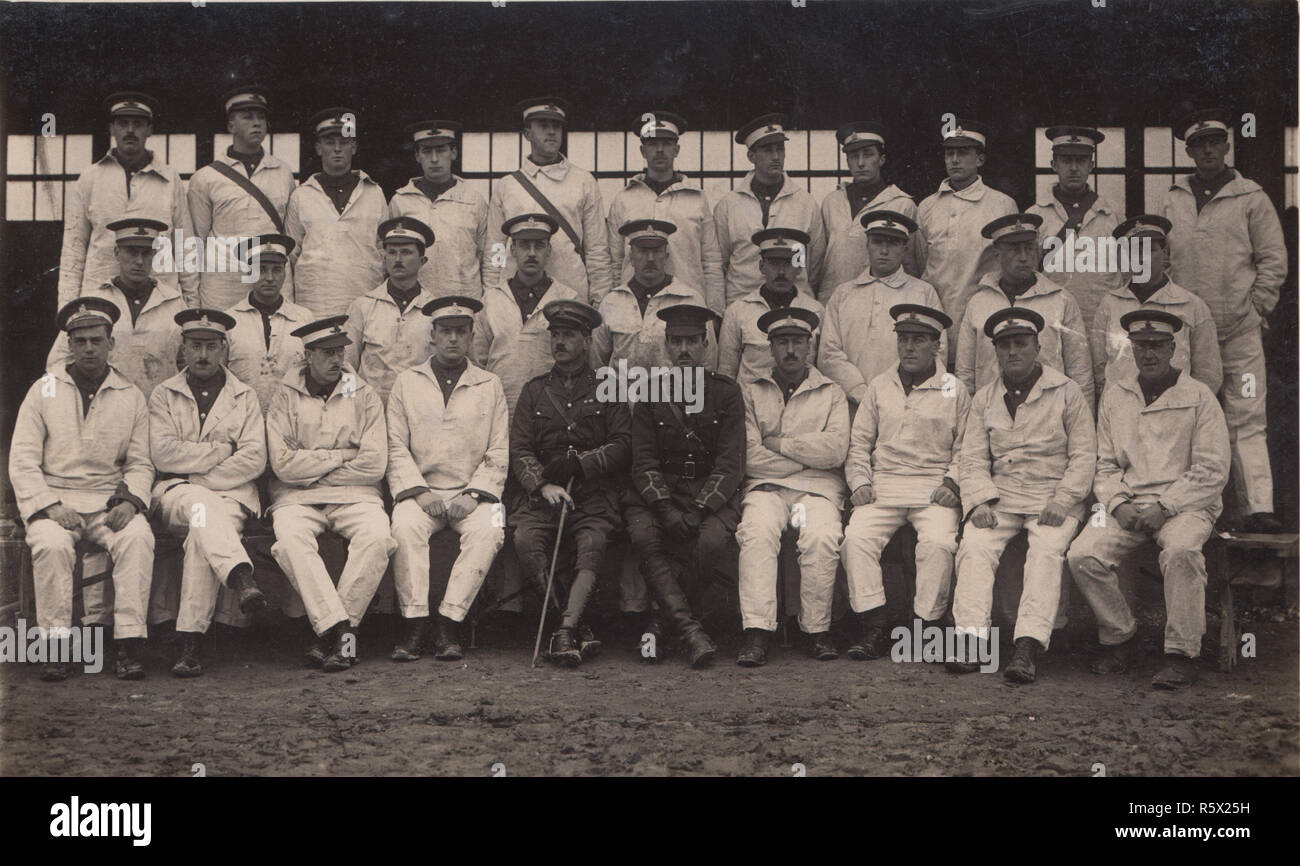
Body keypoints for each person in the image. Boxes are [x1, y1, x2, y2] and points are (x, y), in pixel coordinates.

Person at [1068, 309, 1231, 690]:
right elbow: (1104, 463)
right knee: (1082, 555)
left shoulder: (1198, 396)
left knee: (1181, 552)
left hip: (1187, 505)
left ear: (1173, 347)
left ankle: (1181, 653)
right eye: (1141, 346)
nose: (1149, 354)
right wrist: (1118, 503)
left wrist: (1167, 506)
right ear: (1132, 348)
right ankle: (1122, 637)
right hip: (1129, 503)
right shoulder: (1116, 393)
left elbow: (1212, 469)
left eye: (1157, 345)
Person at [11, 298, 155, 681]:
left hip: (107, 501)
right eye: (80, 341)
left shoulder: (130, 395)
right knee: (52, 545)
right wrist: (49, 506)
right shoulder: (42, 391)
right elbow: (22, 462)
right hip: (56, 501)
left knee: (138, 537)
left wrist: (129, 501)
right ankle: (55, 646)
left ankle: (128, 644)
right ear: (69, 345)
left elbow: (141, 462)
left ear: (112, 343)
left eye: (96, 340)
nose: (88, 348)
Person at [1158, 109, 1288, 532]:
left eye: (1215, 141)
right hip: (1188, 334)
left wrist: (1257, 307)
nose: (1208, 149)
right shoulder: (1172, 198)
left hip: (1239, 333)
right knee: (1186, 417)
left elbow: (1273, 259)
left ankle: (1257, 509)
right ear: (1189, 150)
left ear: (1226, 145)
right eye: (1200, 144)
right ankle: (1186, 508)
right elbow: (1159, 258)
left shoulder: (1251, 196)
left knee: (1246, 416)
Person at [951, 307, 1095, 684]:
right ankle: (970, 641)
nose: (1013, 352)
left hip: (1053, 495)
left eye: (1021, 343)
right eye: (1005, 346)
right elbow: (972, 459)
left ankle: (1027, 646)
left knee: (1047, 551)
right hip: (1003, 495)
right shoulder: (984, 398)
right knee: (974, 546)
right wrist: (979, 500)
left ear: (1037, 347)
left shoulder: (1066, 391)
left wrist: (1064, 500)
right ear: (995, 352)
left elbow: (1084, 456)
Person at [266, 315, 396, 672]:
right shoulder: (285, 395)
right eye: (326, 353)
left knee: (378, 537)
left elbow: (374, 463)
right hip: (295, 498)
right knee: (291, 541)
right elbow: (282, 465)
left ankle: (330, 634)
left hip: (357, 495)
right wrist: (341, 456)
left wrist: (310, 467)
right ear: (307, 356)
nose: (336, 360)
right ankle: (342, 632)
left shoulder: (361, 392)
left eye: (339, 352)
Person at [840, 304, 966, 659]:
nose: (909, 347)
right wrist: (860, 482)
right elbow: (860, 442)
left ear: (936, 346)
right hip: (884, 485)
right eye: (904, 339)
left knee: (938, 544)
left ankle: (924, 625)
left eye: (919, 340)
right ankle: (876, 625)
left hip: (933, 487)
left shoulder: (955, 390)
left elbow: (967, 448)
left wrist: (953, 483)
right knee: (856, 539)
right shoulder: (880, 386)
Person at [387, 296, 509, 661]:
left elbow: (499, 449)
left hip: (473, 494)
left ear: (472, 336)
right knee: (404, 529)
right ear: (433, 336)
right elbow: (395, 445)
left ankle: (449, 623)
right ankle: (415, 624)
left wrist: (474, 495)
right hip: (420, 492)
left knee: (491, 530)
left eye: (461, 332)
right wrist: (419, 492)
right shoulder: (407, 382)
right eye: (445, 331)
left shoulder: (489, 383)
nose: (453, 339)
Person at [510, 300, 631, 667]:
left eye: (569, 335)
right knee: (525, 540)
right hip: (544, 496)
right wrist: (542, 486)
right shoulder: (533, 391)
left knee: (592, 542)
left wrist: (582, 465)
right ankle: (574, 623)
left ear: (587, 339)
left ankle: (563, 632)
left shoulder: (608, 386)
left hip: (592, 495)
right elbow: (520, 447)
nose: (560, 342)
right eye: (556, 335)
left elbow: (624, 443)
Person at [149, 309, 268, 677]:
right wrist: (220, 452)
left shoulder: (244, 396)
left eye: (211, 346)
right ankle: (239, 578)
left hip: (230, 497)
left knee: (203, 531)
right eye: (195, 346)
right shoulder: (163, 394)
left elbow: (254, 459)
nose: (202, 355)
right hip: (175, 496)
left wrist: (195, 472)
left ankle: (190, 642)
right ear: (183, 349)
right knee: (200, 507)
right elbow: (162, 453)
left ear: (224, 350)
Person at [625, 304, 744, 668]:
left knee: (709, 541)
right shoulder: (649, 393)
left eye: (692, 341)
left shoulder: (726, 393)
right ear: (665, 346)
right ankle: (691, 631)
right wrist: (664, 507)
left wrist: (698, 509)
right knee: (645, 536)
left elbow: (730, 463)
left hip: (710, 496)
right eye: (676, 341)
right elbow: (643, 460)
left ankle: (663, 625)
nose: (684, 350)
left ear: (706, 345)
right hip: (659, 496)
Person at [735, 307, 849, 666]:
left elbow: (835, 450)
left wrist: (781, 444)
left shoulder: (832, 393)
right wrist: (807, 452)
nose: (790, 350)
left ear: (810, 346)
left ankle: (817, 630)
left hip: (817, 488)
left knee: (821, 535)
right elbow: (750, 455)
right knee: (756, 532)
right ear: (770, 348)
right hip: (767, 486)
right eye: (782, 342)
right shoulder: (752, 392)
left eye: (797, 342)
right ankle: (757, 631)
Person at [58, 91, 195, 308]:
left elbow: (186, 246)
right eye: (123, 123)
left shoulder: (170, 179)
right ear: (112, 128)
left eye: (138, 124)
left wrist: (191, 309)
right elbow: (73, 249)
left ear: (150, 129)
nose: (130, 130)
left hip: (160, 300)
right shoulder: (90, 177)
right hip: (99, 296)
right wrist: (68, 307)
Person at [483, 97, 613, 304]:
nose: (552, 132)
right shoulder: (507, 186)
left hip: (569, 290)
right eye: (543, 126)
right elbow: (495, 247)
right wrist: (491, 293)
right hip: (515, 295)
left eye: (557, 126)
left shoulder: (583, 181)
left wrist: (601, 300)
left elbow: (596, 248)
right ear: (527, 134)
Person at [956, 213, 1094, 404]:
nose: (1023, 257)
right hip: (991, 414)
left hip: (1048, 414)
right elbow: (965, 373)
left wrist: (1082, 424)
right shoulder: (978, 302)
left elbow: (1080, 370)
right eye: (1014, 250)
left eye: (1029, 249)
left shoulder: (1061, 300)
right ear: (997, 254)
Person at [817, 210, 947, 409]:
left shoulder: (923, 293)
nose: (884, 251)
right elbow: (829, 354)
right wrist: (860, 392)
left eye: (893, 243)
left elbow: (938, 351)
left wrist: (903, 394)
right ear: (867, 244)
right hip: (850, 404)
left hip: (906, 404)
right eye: (877, 242)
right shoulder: (843, 294)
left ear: (904, 248)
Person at [913, 119, 1017, 365]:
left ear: (980, 159)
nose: (955, 160)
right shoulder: (927, 207)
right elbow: (918, 263)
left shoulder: (1001, 205)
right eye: (949, 153)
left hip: (983, 317)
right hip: (935, 319)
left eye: (963, 152)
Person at [47, 217, 184, 400]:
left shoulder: (174, 304)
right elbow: (58, 361)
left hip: (160, 412)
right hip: (109, 412)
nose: (139, 261)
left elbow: (187, 363)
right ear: (117, 253)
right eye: (132, 252)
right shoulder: (94, 303)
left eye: (146, 253)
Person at [187, 86, 297, 310]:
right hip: (224, 282)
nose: (257, 123)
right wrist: (192, 297)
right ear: (231, 126)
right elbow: (196, 240)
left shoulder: (283, 172)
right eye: (247, 117)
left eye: (261, 117)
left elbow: (290, 234)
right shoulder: (206, 177)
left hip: (270, 278)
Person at [606, 111, 725, 314]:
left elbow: (711, 261)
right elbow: (615, 261)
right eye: (653, 144)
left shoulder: (697, 199)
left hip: (687, 305)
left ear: (676, 149)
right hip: (635, 308)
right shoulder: (623, 199)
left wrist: (714, 311)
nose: (660, 150)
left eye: (667, 143)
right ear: (643, 150)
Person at [1090, 215, 1221, 395]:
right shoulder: (1110, 304)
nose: (1142, 259)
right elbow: (1099, 368)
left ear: (1165, 254)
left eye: (1150, 250)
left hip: (1175, 410)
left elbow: (1208, 373)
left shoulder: (1191, 305)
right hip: (1122, 412)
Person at [471, 213, 581, 419]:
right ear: (512, 250)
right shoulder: (492, 300)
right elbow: (478, 362)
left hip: (554, 411)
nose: (531, 253)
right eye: (524, 245)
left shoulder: (567, 299)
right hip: (500, 408)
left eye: (539, 245)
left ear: (549, 250)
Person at [714, 113, 826, 305]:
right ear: (751, 156)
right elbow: (719, 263)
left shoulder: (806, 203)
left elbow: (815, 265)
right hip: (742, 307)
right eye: (767, 150)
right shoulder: (728, 205)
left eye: (780, 149)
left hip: (795, 308)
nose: (775, 157)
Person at [286, 108, 387, 316]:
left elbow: (384, 249)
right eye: (330, 142)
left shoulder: (374, 193)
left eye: (344, 142)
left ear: (354, 146)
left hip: (365, 299)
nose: (337, 149)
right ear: (318, 148)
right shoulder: (301, 195)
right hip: (314, 303)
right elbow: (289, 256)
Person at [1027, 126, 1122, 328]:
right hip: (1053, 322)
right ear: (1054, 164)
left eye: (1080, 160)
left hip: (1101, 322)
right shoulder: (1035, 216)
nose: (1073, 167)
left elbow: (1127, 275)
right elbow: (1028, 274)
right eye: (1066, 160)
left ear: (1091, 165)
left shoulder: (1112, 216)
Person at [593, 218, 717, 373]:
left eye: (657, 251)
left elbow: (708, 361)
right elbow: (597, 363)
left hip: (676, 395)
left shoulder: (690, 300)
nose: (650, 259)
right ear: (631, 257)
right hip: (623, 395)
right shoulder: (611, 302)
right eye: (643, 251)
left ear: (666, 256)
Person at [388, 120, 490, 298]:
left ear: (453, 153)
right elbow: (388, 255)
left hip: (464, 299)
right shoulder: (400, 201)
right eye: (427, 151)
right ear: (417, 156)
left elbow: (490, 252)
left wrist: (491, 295)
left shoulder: (474, 199)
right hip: (416, 302)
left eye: (441, 150)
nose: (434, 159)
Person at [342, 216, 438, 403]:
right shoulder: (363, 306)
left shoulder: (434, 310)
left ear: (422, 260)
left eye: (406, 252)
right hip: (371, 407)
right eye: (392, 252)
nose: (398, 259)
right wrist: (349, 407)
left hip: (418, 406)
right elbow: (347, 364)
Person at [818, 121, 917, 299]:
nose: (861, 163)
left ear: (882, 159)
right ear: (847, 160)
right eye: (854, 156)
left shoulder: (902, 204)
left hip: (884, 300)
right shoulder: (832, 202)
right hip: (834, 300)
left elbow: (912, 265)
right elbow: (816, 261)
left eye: (868, 154)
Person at [718, 227, 823, 385]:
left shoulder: (815, 311)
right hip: (751, 404)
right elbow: (726, 373)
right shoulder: (738, 311)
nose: (781, 272)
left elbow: (822, 369)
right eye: (774, 263)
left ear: (799, 267)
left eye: (788, 263)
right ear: (761, 266)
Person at [223, 233, 313, 412]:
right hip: (242, 419)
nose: (270, 277)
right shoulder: (229, 321)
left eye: (276, 270)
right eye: (261, 269)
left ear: (285, 273)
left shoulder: (304, 319)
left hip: (291, 420)